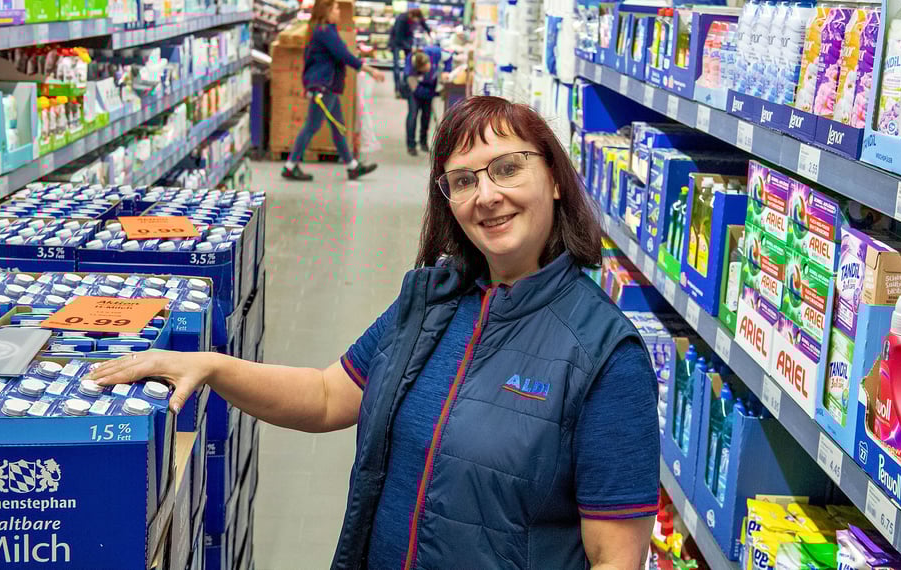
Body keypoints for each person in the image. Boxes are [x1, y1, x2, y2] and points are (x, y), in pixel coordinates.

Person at [89, 96, 660, 568]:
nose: (486, 196)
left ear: (556, 179)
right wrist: (212, 366)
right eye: (462, 181)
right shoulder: (432, 301)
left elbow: (616, 558)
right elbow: (325, 395)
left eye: (508, 168)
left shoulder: (606, 355)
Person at [282, 0, 386, 182]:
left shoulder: (323, 29)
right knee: (312, 126)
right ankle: (290, 166)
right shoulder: (324, 31)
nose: (339, 11)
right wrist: (370, 70)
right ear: (327, 10)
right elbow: (343, 55)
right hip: (323, 86)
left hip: (327, 86)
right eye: (336, 8)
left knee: (338, 128)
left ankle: (352, 167)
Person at [388, 8, 430, 96]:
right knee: (397, 67)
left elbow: (423, 23)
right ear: (411, 16)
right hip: (396, 41)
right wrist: (409, 47)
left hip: (407, 40)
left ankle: (406, 87)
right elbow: (398, 37)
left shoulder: (418, 16)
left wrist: (429, 32)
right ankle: (397, 89)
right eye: (415, 20)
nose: (416, 22)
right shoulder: (401, 19)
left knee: (409, 64)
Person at [405, 51, 438, 156]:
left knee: (426, 116)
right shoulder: (410, 70)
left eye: (428, 66)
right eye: (424, 69)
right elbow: (415, 90)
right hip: (414, 91)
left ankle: (423, 142)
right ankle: (411, 145)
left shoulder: (432, 57)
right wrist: (432, 94)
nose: (428, 69)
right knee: (413, 115)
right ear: (418, 69)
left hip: (428, 89)